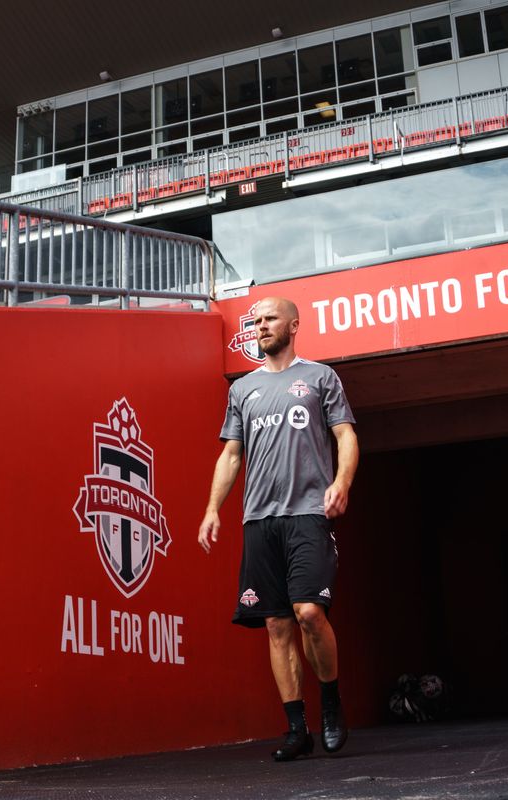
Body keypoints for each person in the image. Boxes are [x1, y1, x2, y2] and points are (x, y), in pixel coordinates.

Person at [198, 296, 359, 762]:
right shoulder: (242, 389)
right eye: (254, 322)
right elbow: (231, 454)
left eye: (269, 319)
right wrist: (213, 509)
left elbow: (346, 434)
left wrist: (342, 482)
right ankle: (296, 729)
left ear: (293, 325)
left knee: (309, 612)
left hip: (309, 512)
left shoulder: (319, 377)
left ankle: (330, 701)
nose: (260, 327)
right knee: (276, 623)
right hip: (258, 520)